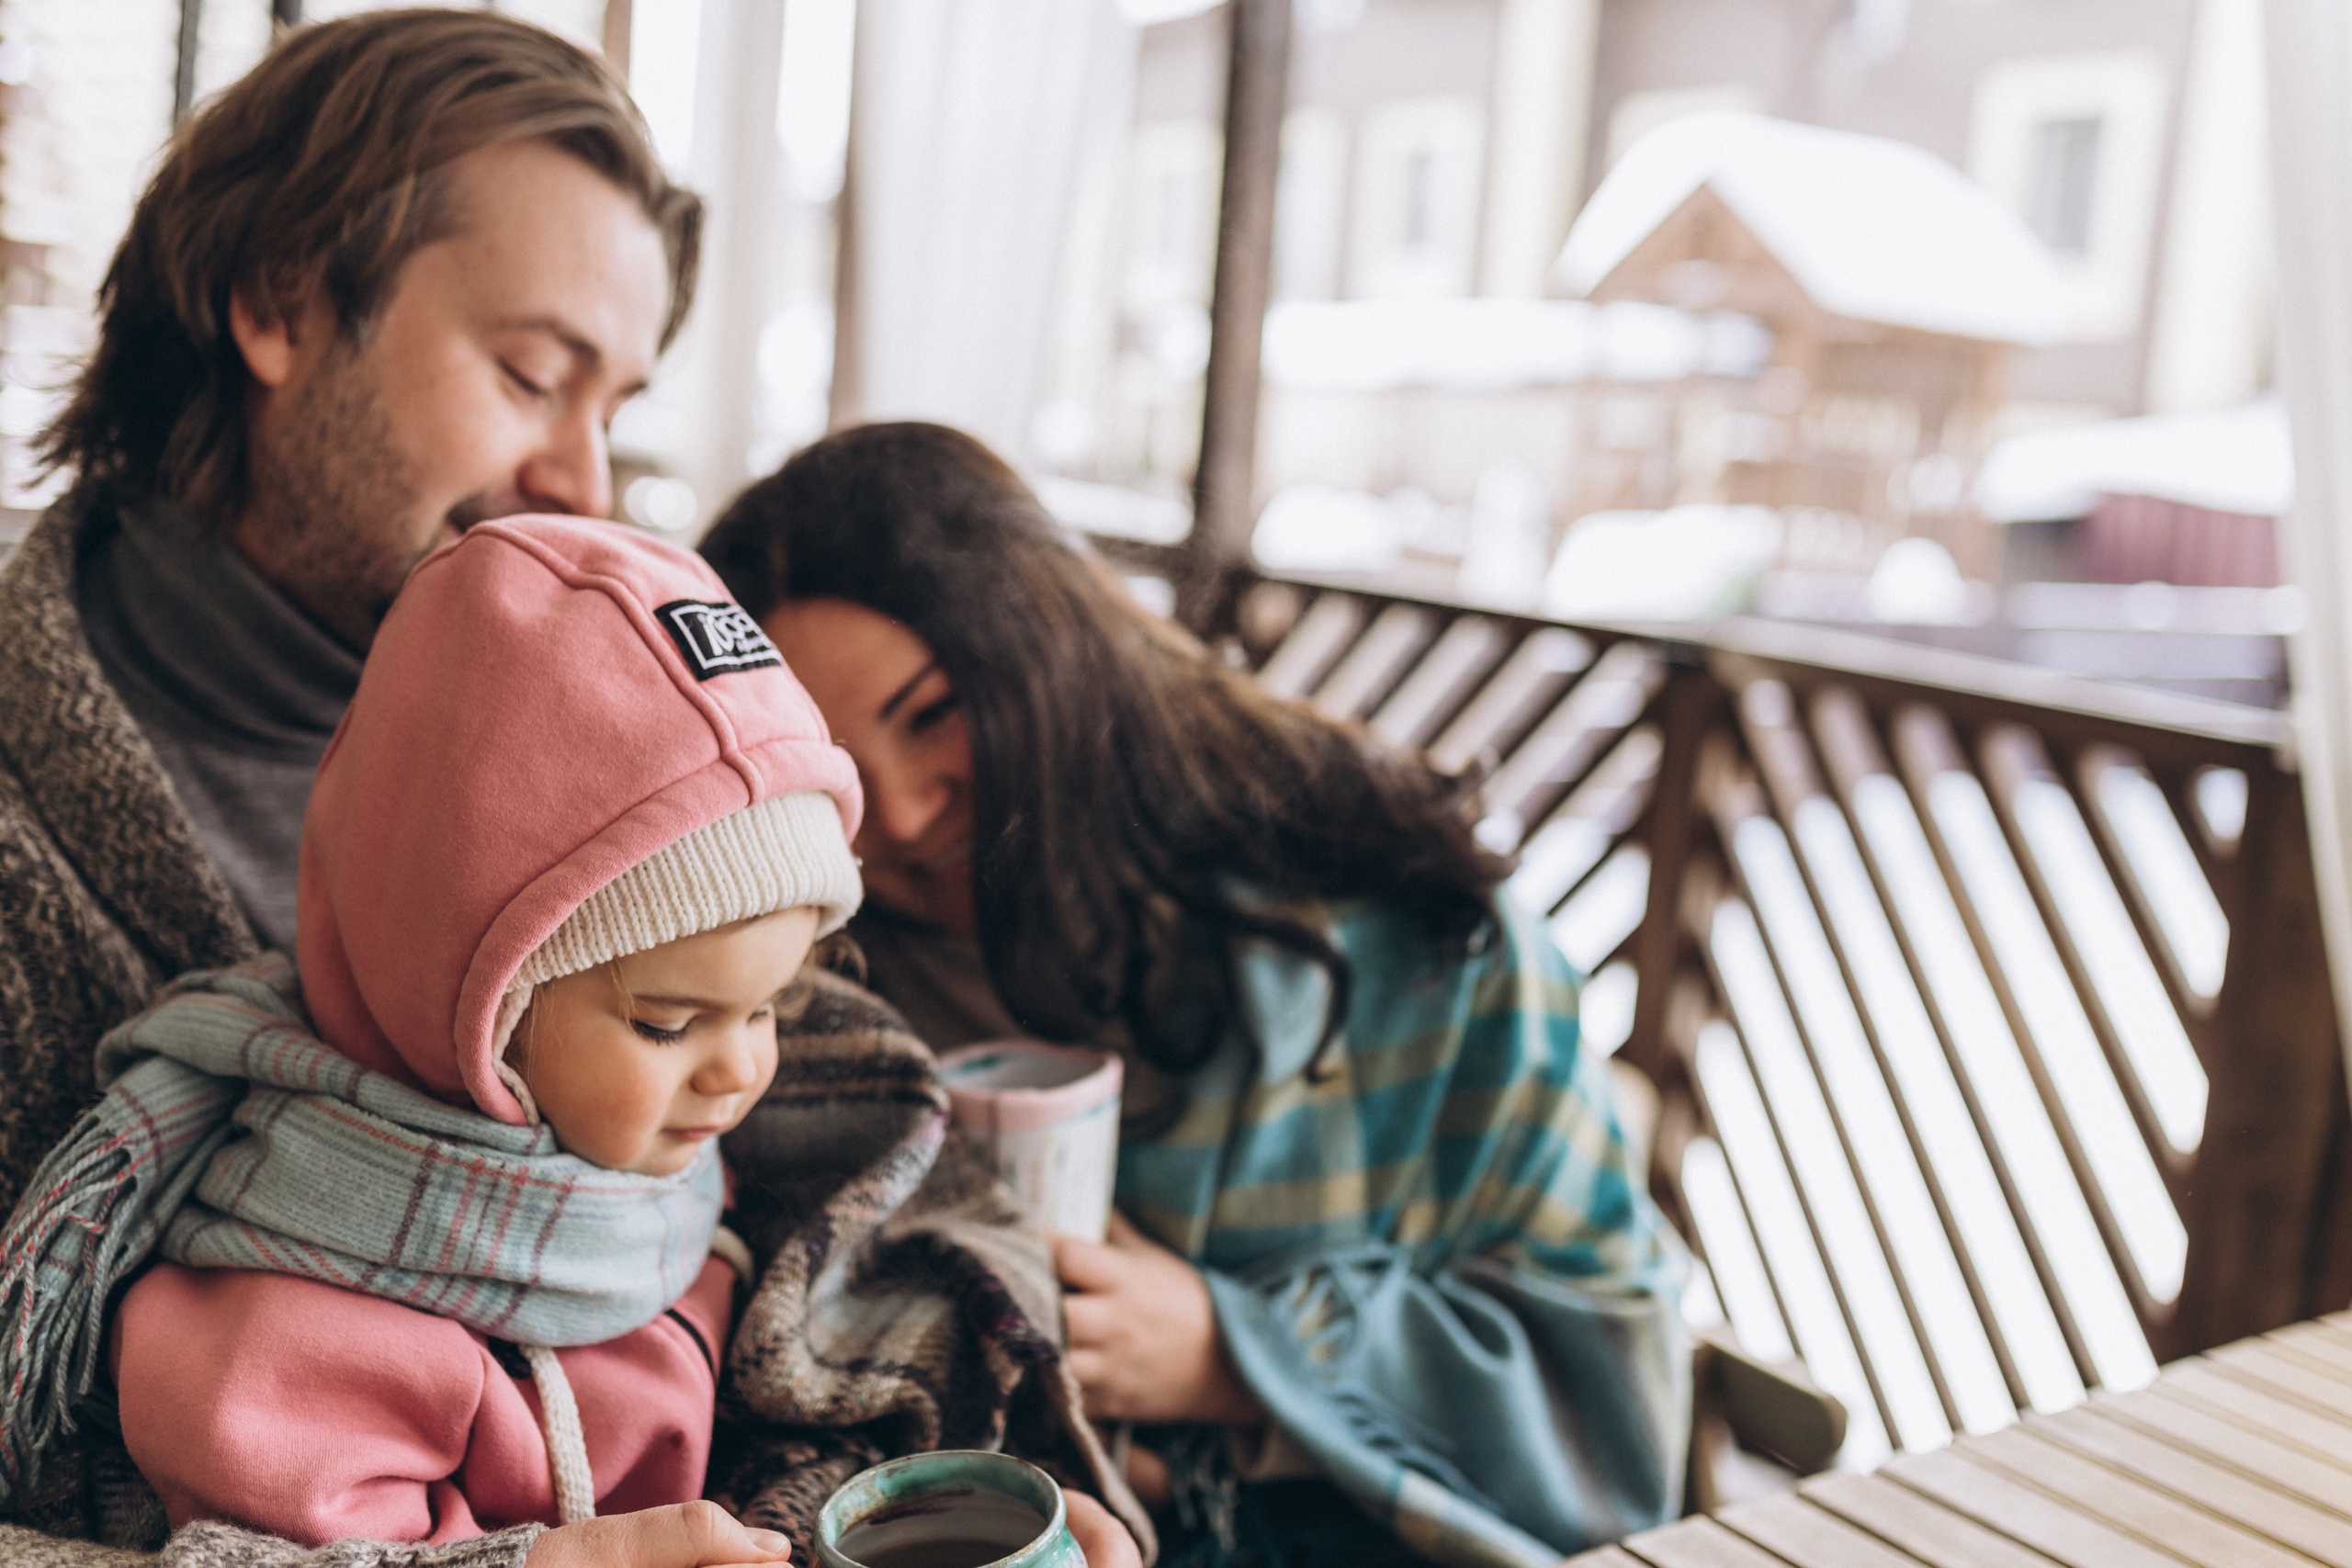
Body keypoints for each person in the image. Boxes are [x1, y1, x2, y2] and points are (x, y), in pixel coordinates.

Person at [0, 15, 1143, 1568]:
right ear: (273, 302)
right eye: (533, 372)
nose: (584, 482)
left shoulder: (617, 749)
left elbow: (831, 1177)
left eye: (615, 405)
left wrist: (897, 1490)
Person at [700, 423, 1693, 1568]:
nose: (910, 818)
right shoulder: (803, 1005)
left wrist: (1239, 1355)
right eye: (839, 780)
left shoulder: (1411, 940)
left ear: (1047, 651)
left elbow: (1617, 1401)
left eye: (932, 714)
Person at [6, 516, 863, 1543]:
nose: (740, 1071)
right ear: (477, 1011)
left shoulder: (651, 1168)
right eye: (668, 1024)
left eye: (768, 1007)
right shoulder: (288, 1330)